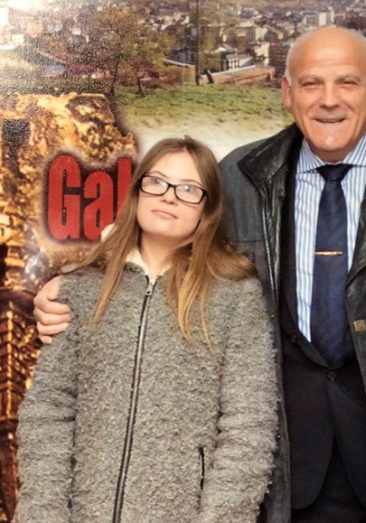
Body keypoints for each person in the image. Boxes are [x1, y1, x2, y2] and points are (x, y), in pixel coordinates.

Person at [35, 26, 366, 522]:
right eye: (311, 84)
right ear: (288, 94)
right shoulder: (241, 177)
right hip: (284, 475)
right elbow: (167, 258)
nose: (329, 101)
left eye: (347, 83)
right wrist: (72, 287)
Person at [20, 137, 277, 522]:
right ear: (138, 190)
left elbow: (248, 427)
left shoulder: (234, 295)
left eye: (189, 189)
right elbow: (49, 412)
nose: (169, 196)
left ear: (206, 209)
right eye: (157, 181)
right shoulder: (82, 287)